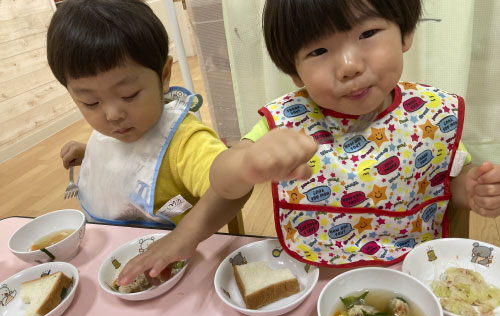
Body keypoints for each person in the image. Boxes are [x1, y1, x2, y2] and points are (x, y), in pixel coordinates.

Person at [209, 0, 500, 267]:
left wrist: (472, 190)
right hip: (317, 269)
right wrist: (246, 165)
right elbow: (223, 180)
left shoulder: (430, 114)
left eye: (368, 33)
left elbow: (445, 180)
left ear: (406, 33)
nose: (349, 66)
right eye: (318, 51)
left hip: (413, 265)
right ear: (295, 73)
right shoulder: (289, 119)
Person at [48, 0, 248, 286]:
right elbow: (125, 158)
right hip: (108, 263)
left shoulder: (186, 143)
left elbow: (233, 187)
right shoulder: (110, 131)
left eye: (129, 94)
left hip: (184, 271)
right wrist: (90, 151)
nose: (112, 114)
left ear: (164, 75)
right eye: (89, 102)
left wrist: (183, 237)